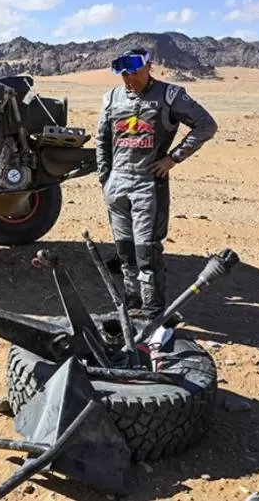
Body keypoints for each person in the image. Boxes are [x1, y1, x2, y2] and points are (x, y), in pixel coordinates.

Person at [95, 47, 218, 319]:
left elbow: (206, 126)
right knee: (124, 251)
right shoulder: (112, 98)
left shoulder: (169, 95)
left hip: (147, 185)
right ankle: (131, 305)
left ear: (149, 66)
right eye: (124, 74)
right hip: (117, 185)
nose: (130, 79)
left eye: (135, 72)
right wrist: (106, 177)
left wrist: (172, 159)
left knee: (147, 251)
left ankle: (152, 311)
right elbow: (102, 140)